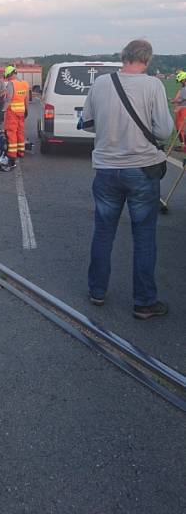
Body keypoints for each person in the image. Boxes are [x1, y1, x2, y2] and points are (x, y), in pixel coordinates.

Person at [82, 39, 173, 320]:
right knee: (144, 237)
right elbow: (165, 130)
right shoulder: (153, 85)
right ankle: (144, 302)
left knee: (103, 231)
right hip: (142, 170)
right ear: (147, 59)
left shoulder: (100, 84)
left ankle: (97, 291)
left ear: (124, 57)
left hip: (107, 169)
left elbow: (87, 123)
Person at [3, 65, 29, 167]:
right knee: (20, 132)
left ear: (10, 74)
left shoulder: (11, 84)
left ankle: (12, 154)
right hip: (21, 111)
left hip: (12, 112)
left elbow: (9, 98)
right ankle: (21, 152)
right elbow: (26, 99)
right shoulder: (24, 83)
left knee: (11, 133)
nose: (8, 78)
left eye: (7, 76)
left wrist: (3, 109)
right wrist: (26, 110)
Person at [171, 70, 186, 150]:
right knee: (180, 128)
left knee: (180, 128)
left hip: (183, 110)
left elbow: (182, 99)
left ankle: (183, 146)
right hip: (182, 109)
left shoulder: (184, 89)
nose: (181, 83)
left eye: (181, 81)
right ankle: (183, 145)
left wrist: (174, 101)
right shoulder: (183, 89)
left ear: (184, 79)